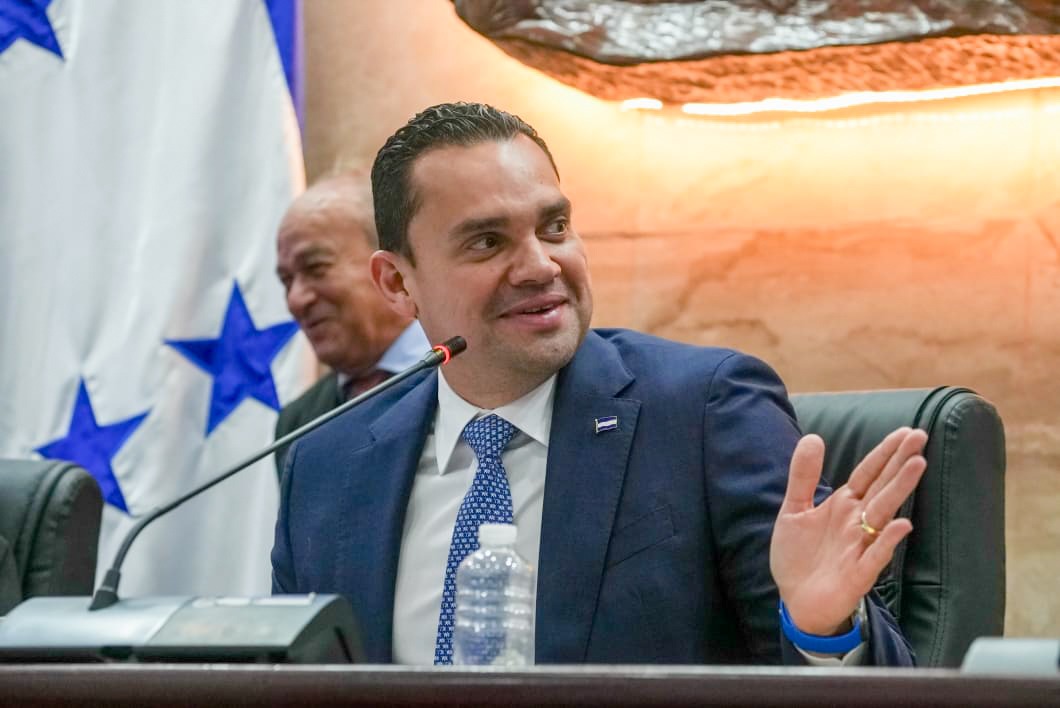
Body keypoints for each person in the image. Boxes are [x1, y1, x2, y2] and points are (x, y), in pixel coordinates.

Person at [272, 103, 927, 666]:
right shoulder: (325, 464)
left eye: (554, 227)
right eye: (487, 242)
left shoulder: (704, 412)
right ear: (397, 283)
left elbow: (882, 692)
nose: (540, 266)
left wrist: (821, 627)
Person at [274, 172, 429, 475]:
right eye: (286, 280)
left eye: (316, 268)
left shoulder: (472, 375)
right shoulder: (298, 424)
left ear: (390, 270)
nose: (296, 300)